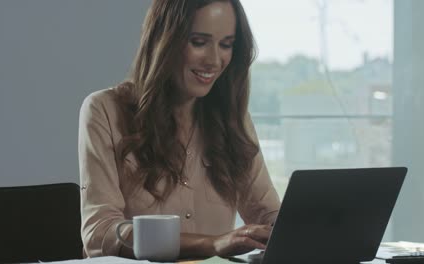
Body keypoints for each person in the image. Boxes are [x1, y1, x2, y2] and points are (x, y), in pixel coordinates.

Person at [78, 0, 280, 259]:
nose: (214, 60)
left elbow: (269, 213)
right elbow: (100, 234)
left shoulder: (233, 121)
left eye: (226, 45)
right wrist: (213, 243)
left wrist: (293, 227)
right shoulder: (104, 110)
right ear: (164, 40)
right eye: (198, 42)